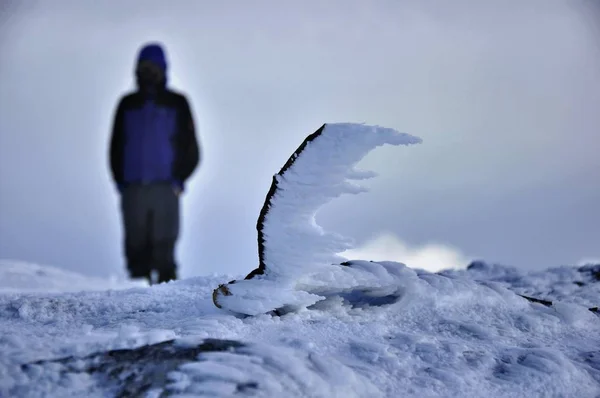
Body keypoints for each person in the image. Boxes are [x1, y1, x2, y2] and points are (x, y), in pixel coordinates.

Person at [108, 42, 200, 284]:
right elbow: (116, 145)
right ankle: (136, 302)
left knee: (165, 244)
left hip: (166, 188)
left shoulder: (177, 103)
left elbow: (191, 147)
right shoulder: (127, 104)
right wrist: (120, 182)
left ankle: (164, 302)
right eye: (142, 67)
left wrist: (179, 179)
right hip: (133, 188)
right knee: (136, 245)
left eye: (152, 67)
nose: (147, 72)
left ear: (163, 68)